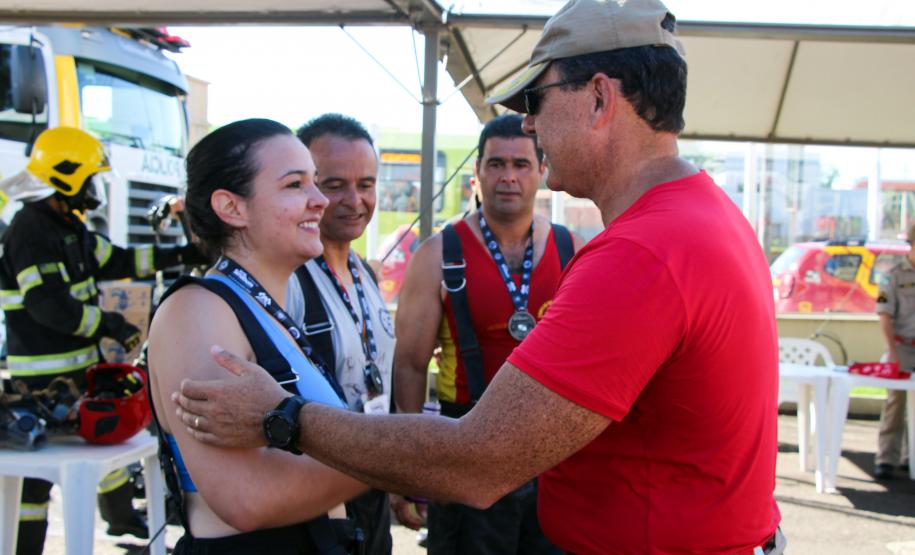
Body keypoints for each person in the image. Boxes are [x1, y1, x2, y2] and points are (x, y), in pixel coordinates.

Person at [172, 1, 785, 553]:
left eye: (535, 103)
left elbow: (478, 463)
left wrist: (284, 417)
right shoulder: (699, 217)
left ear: (599, 98)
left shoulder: (642, 251)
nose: (532, 127)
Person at [147, 118, 367, 554]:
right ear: (232, 208)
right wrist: (404, 458)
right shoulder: (197, 311)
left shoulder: (268, 308)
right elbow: (245, 497)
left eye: (316, 183)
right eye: (294, 185)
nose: (320, 201)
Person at [0, 126, 203, 555]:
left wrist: (185, 255)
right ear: (66, 175)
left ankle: (123, 520)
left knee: (107, 452)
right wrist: (109, 323)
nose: (93, 188)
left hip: (75, 375)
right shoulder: (31, 230)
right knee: (35, 490)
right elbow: (48, 306)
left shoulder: (67, 228)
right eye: (89, 178)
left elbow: (119, 259)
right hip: (42, 385)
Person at [394, 114, 572, 555]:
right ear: (477, 172)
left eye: (520, 164)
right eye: (496, 164)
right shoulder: (437, 253)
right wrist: (407, 471)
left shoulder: (572, 251)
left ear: (542, 172)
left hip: (551, 454)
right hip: (465, 447)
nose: (508, 176)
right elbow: (410, 365)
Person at [285, 113, 403, 554]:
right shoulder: (287, 280)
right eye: (334, 185)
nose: (355, 200)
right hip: (313, 504)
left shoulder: (365, 274)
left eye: (366, 184)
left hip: (369, 487)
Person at [874, 223, 915, 480]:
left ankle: (910, 457)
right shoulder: (894, 275)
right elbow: (884, 315)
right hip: (902, 347)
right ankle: (886, 457)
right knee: (895, 403)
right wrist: (892, 351)